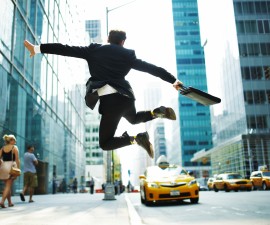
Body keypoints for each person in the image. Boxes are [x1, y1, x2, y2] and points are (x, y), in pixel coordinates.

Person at [24, 30, 183, 158]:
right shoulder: (127, 55)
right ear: (122, 42)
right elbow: (152, 68)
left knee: (105, 143)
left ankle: (136, 139)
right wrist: (173, 80)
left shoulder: (94, 50)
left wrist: (37, 48)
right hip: (127, 97)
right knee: (133, 119)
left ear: (108, 39)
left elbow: (65, 49)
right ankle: (157, 113)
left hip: (111, 101)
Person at [0, 134, 20, 208]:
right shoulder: (14, 148)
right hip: (11, 167)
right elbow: (17, 159)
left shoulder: (2, 148)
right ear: (11, 140)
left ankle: (10, 202)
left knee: (7, 185)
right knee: (8, 186)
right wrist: (18, 169)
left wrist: (2, 163)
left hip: (3, 167)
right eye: (14, 140)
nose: (15, 141)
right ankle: (2, 201)